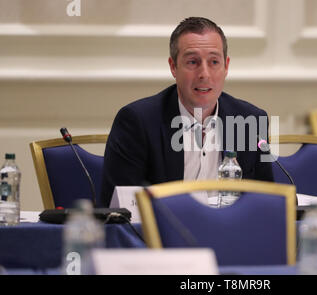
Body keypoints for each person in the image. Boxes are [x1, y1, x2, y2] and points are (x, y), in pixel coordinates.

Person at [101, 17, 273, 207]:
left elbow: (268, 202)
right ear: (173, 67)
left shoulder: (249, 121)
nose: (204, 74)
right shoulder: (137, 122)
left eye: (214, 62)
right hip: (162, 235)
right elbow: (119, 213)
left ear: (226, 66)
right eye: (192, 62)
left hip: (232, 233)